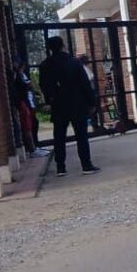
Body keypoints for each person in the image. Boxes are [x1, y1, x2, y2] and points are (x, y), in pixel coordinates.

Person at [38, 36, 100, 176]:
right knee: (81, 136)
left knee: (59, 136)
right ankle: (86, 165)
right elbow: (85, 84)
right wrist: (91, 102)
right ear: (63, 46)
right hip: (77, 103)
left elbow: (44, 86)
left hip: (58, 104)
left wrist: (50, 99)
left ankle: (61, 167)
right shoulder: (74, 63)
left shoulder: (45, 65)